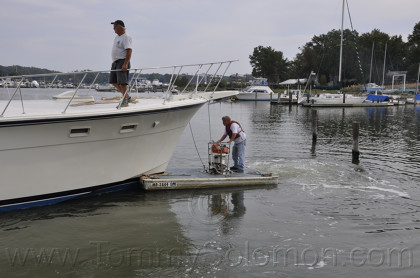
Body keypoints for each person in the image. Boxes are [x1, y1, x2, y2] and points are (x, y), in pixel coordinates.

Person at [110, 20, 133, 107]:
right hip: (115, 62)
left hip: (122, 61)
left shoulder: (126, 37)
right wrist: (114, 60)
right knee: (113, 81)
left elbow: (129, 50)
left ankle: (125, 100)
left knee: (122, 82)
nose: (113, 29)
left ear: (120, 28)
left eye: (115, 27)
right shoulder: (117, 37)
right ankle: (126, 96)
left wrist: (125, 63)